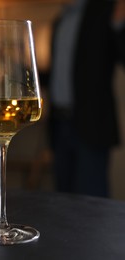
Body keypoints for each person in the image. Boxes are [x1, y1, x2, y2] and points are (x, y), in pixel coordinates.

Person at [48, 0, 125, 197]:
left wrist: (119, 24)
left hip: (91, 124)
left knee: (91, 204)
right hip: (59, 124)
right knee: (63, 200)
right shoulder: (60, 20)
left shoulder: (104, 11)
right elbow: (57, 74)